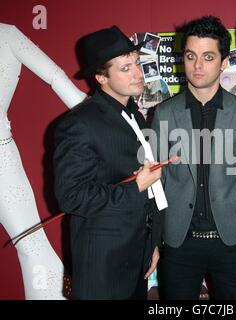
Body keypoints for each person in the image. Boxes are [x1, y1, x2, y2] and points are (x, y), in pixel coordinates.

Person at [151, 16, 236, 300]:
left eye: (208, 57)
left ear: (223, 61)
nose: (198, 66)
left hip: (231, 240)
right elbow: (158, 177)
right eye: (191, 56)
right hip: (179, 241)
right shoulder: (164, 113)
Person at [53, 26, 165, 300]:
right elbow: (71, 196)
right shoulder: (79, 123)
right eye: (126, 68)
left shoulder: (135, 116)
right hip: (103, 264)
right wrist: (135, 187)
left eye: (137, 64)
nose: (138, 73)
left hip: (137, 252)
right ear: (102, 77)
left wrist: (152, 243)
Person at [0, 22, 86, 299]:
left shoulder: (6, 35)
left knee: (31, 244)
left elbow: (56, 77)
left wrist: (105, 120)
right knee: (31, 244)